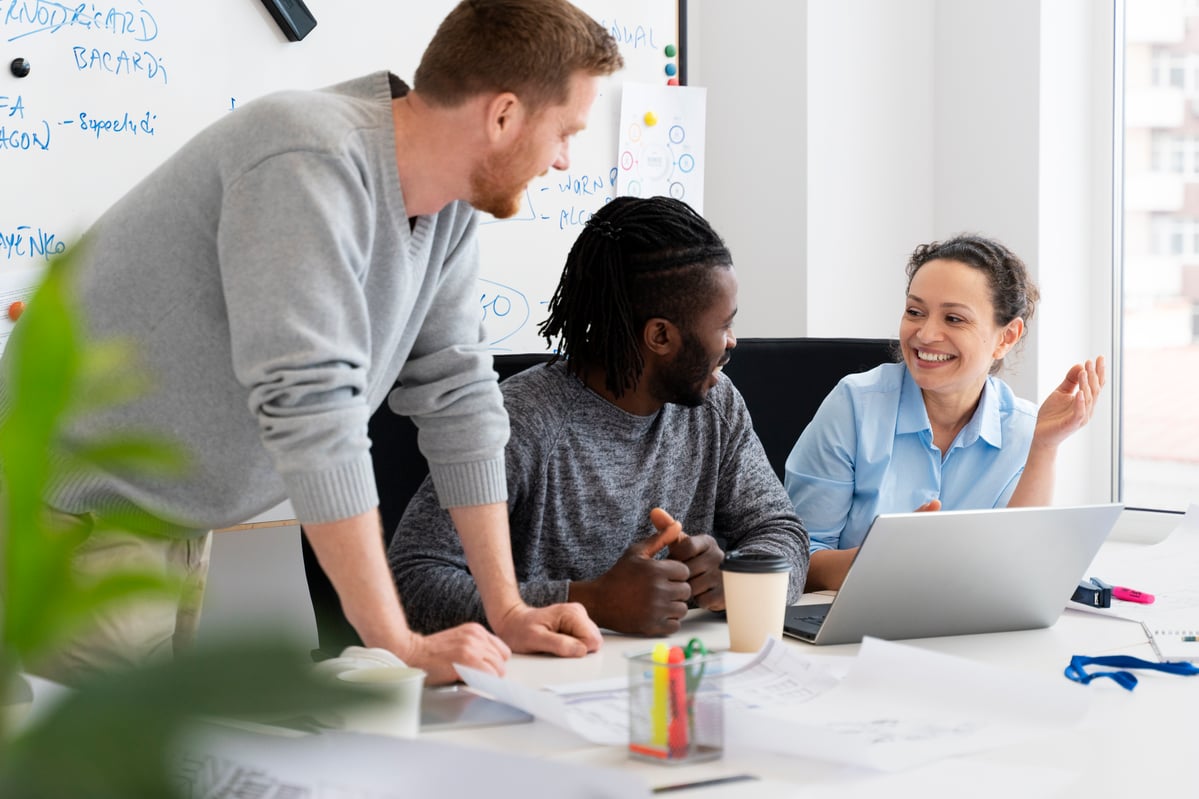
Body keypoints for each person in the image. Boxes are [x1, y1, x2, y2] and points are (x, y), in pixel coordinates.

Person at [0, 0, 624, 686]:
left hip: (169, 513)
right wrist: (398, 643)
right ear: (503, 115)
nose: (564, 160)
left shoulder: (445, 209)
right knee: (113, 775)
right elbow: (311, 408)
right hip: (77, 510)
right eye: (564, 132)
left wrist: (506, 607)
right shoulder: (305, 156)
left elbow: (460, 396)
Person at [388, 196, 809, 637]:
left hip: (673, 678)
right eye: (724, 325)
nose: (732, 342)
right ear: (661, 336)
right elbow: (411, 584)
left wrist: (735, 578)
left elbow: (783, 532)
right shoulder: (522, 420)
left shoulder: (716, 405)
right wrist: (589, 600)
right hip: (539, 685)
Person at [784, 234, 1105, 591]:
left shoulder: (1026, 429)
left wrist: (1044, 446)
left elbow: (1020, 571)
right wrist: (885, 558)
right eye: (915, 312)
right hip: (854, 628)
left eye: (954, 318)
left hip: (973, 631)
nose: (926, 333)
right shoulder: (855, 406)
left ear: (1006, 337)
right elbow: (795, 561)